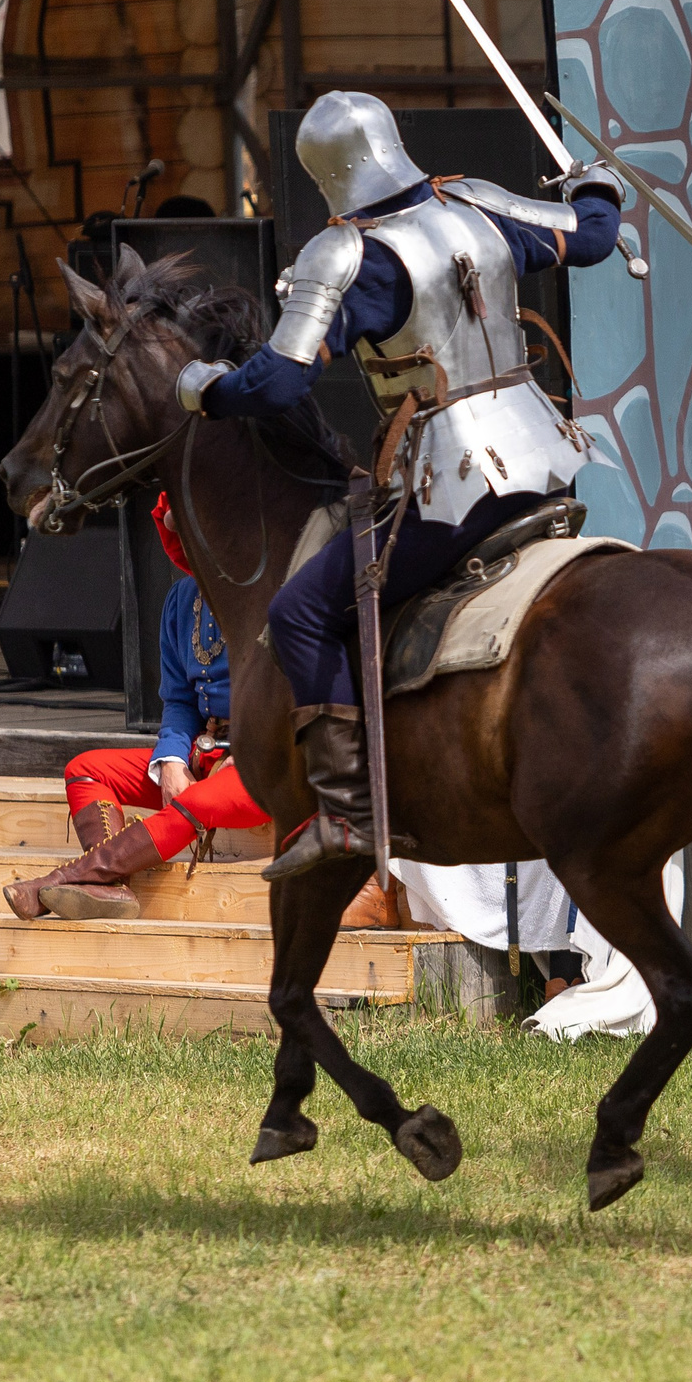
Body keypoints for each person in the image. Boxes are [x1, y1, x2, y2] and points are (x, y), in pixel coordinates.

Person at [174, 92, 625, 880]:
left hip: (451, 489)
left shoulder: (347, 255)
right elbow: (590, 240)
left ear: (323, 172)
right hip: (543, 459)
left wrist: (209, 390)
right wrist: (599, 185)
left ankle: (346, 811)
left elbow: (279, 382)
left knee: (301, 610)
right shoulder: (476, 203)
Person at [2, 493, 355, 920]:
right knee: (86, 768)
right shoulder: (181, 599)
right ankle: (111, 889)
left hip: (275, 762)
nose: (190, 542)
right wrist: (170, 759)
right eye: (179, 531)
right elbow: (179, 700)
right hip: (206, 752)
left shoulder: (280, 597)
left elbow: (307, 695)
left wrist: (247, 750)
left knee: (199, 802)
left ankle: (58, 883)